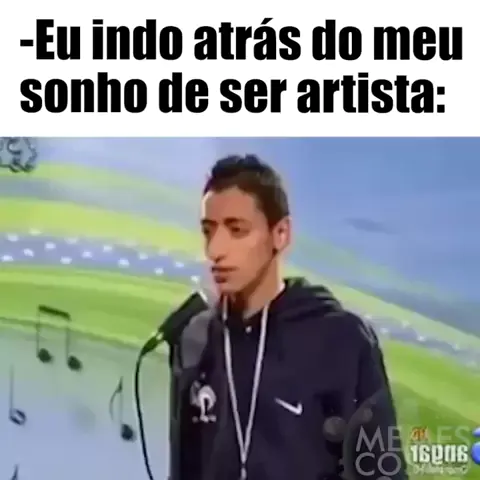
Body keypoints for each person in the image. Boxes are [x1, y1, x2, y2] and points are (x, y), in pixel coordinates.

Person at [167, 155, 408, 480]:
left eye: (236, 230)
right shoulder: (194, 338)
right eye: (208, 231)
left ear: (280, 233)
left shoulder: (341, 339)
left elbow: (382, 473)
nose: (215, 250)